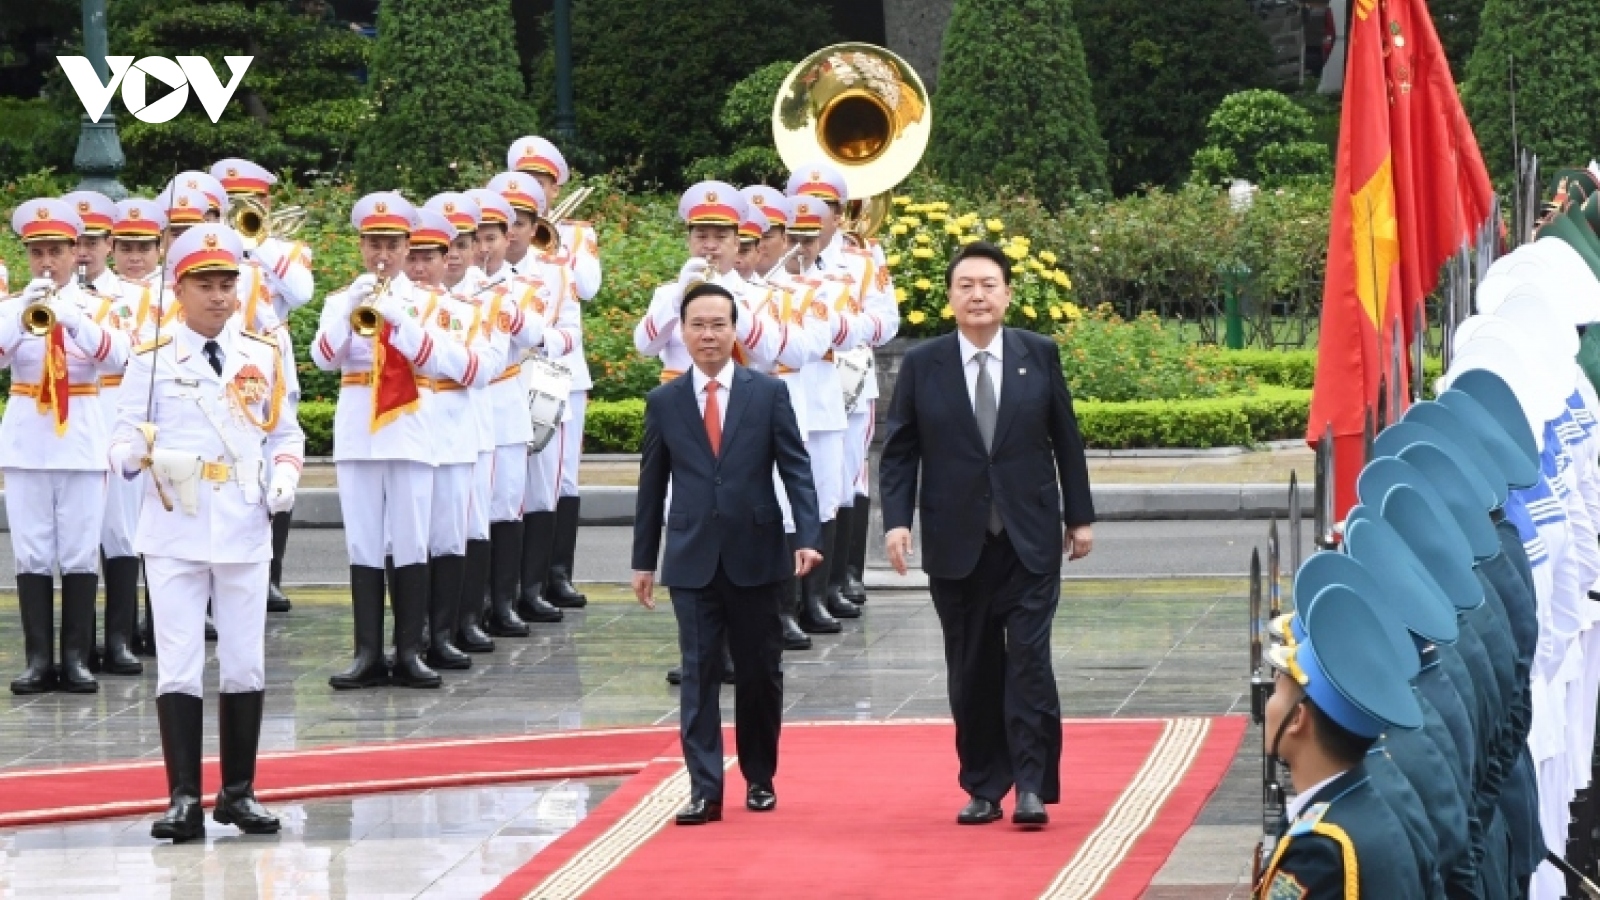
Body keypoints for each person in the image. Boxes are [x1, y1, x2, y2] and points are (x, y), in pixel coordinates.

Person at [879, 240, 1094, 827]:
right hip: (957, 545)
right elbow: (900, 452)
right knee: (972, 669)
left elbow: (1065, 439)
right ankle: (982, 784)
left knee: (1028, 663)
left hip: (1029, 539)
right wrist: (897, 522)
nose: (978, 295)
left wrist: (1080, 516)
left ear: (1007, 294)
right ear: (949, 297)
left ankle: (1030, 784)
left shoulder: (1037, 353)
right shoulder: (925, 364)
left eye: (989, 284)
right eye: (966, 285)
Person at [108, 223, 304, 842]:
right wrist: (136, 455)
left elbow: (285, 433)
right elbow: (117, 438)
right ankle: (184, 798)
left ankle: (239, 792)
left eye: (227, 284)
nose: (219, 297)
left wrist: (285, 477)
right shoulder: (152, 358)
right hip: (175, 525)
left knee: (246, 661)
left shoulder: (260, 355)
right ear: (180, 288)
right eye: (206, 285)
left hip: (244, 522)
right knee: (180, 664)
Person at [631, 281, 822, 825]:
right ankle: (705, 789)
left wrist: (807, 534)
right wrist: (644, 560)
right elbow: (651, 486)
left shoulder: (766, 393)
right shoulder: (664, 402)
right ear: (682, 332)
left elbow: (796, 467)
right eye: (697, 325)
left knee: (761, 672)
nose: (708, 334)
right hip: (691, 557)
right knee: (699, 672)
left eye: (718, 324)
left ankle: (759, 777)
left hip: (758, 553)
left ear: (735, 331)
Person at [312, 193, 475, 690]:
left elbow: (451, 364)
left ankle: (409, 651)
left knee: (410, 541)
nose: (382, 253)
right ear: (361, 246)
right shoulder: (343, 299)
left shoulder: (435, 304)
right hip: (359, 433)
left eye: (392, 244)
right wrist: (352, 313)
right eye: (373, 243)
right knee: (363, 543)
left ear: (408, 248)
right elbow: (323, 358)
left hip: (411, 431)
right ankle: (366, 652)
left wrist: (398, 319)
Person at [3, 198, 131, 695]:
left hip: (80, 439)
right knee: (32, 551)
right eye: (37, 253)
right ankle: (38, 660)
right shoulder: (13, 307)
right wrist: (21, 314)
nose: (46, 262)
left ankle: (75, 657)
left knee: (79, 550)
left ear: (76, 251)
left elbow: (119, 357)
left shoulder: (98, 306)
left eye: (55, 251)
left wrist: (72, 318)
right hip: (28, 441)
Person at [1256, 581, 1431, 899]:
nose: (1267, 705)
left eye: (1277, 691)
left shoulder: (1321, 851)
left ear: (1298, 719)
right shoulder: (1367, 805)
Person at [788, 162, 899, 612]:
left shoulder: (862, 256)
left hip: (849, 374)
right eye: (805, 206)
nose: (816, 215)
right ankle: (805, 589)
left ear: (840, 212)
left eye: (826, 206)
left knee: (847, 477)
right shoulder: (782, 256)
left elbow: (886, 321)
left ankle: (840, 578)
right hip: (800, 379)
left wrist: (843, 327)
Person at [212, 158, 315, 615]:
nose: (239, 211)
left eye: (249, 203)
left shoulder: (286, 249)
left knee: (277, 462)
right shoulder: (210, 247)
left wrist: (259, 241)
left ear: (266, 202)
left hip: (271, 367)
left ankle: (270, 574)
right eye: (231, 204)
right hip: (221, 362)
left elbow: (302, 292)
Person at [507, 137, 601, 610]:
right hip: (509, 370)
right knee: (511, 479)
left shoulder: (577, 235)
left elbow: (588, 286)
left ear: (556, 186)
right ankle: (515, 580)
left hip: (560, 371)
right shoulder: (499, 233)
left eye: (542, 182)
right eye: (526, 181)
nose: (536, 190)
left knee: (560, 477)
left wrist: (556, 243)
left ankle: (555, 574)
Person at [94, 197, 170, 674]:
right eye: (125, 247)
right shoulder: (95, 296)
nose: (135, 256)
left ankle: (154, 625)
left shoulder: (172, 296)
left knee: (159, 521)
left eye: (144, 247)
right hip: (106, 408)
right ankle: (117, 634)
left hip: (158, 413)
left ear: (159, 248)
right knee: (115, 528)